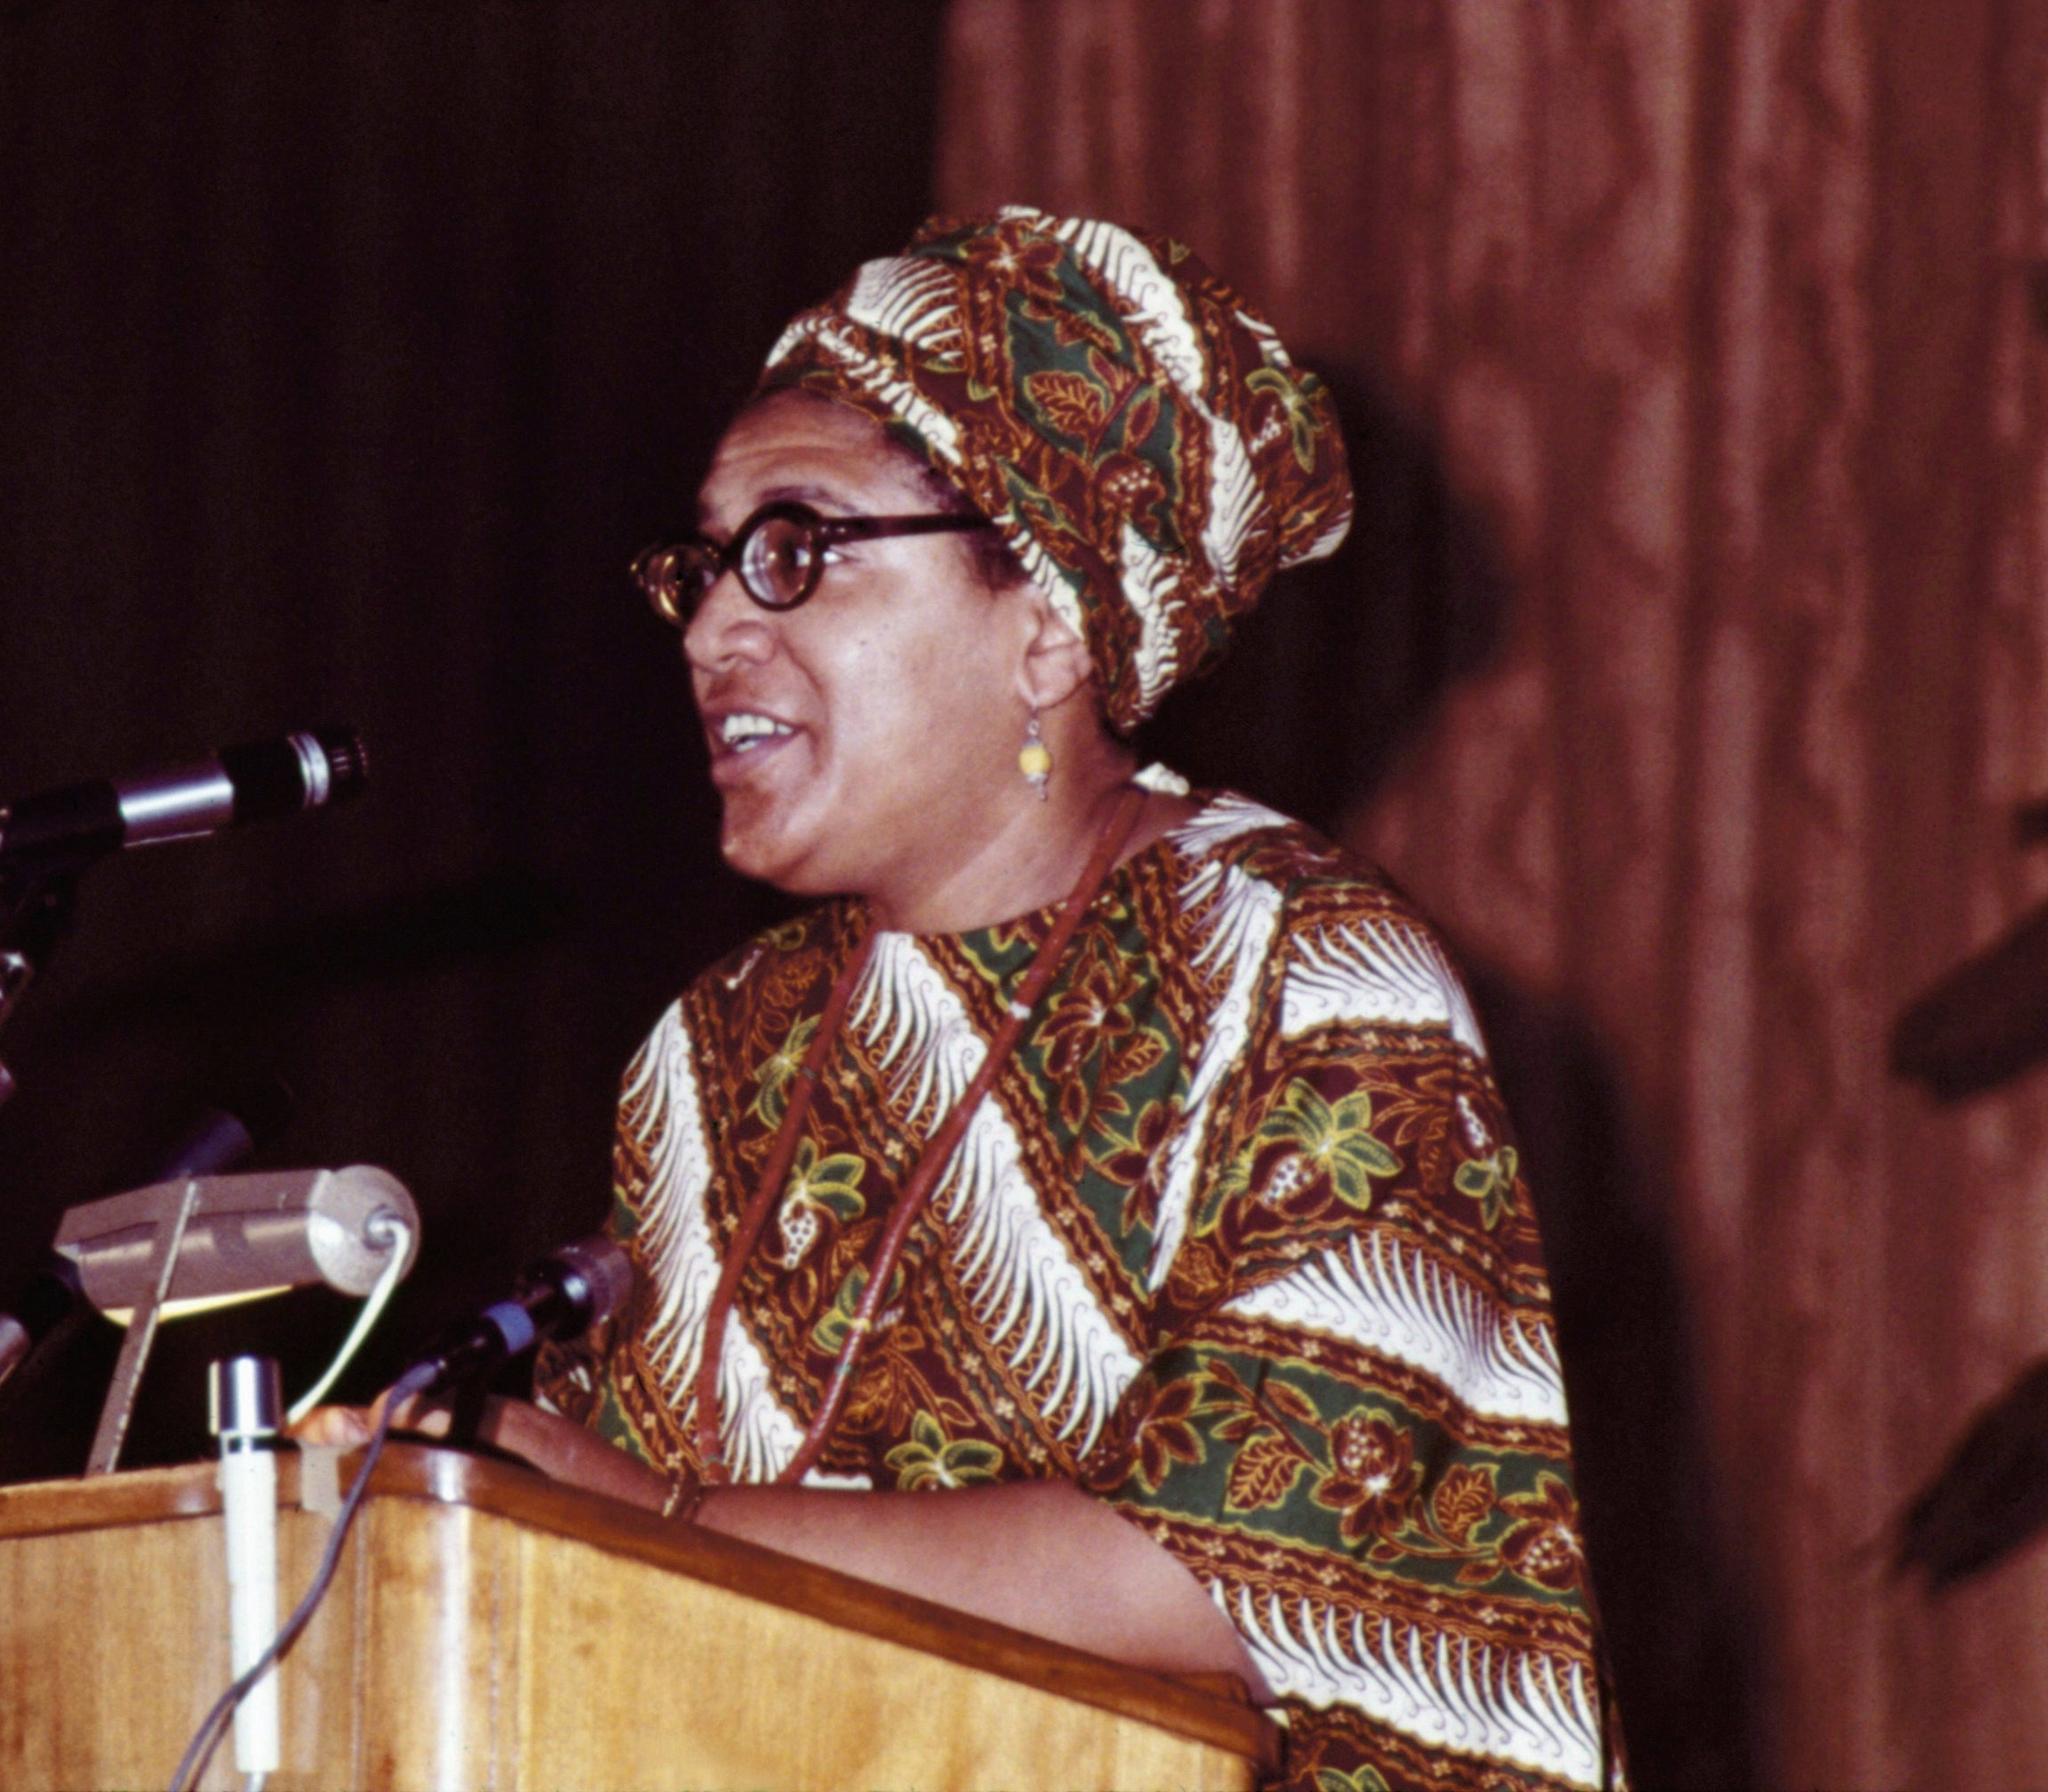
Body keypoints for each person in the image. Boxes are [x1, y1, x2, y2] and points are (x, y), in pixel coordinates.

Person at [308, 208, 1619, 1791]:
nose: (718, 625)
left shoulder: (1304, 966)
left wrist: (641, 1515)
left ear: (1050, 623)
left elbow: (1216, 1572)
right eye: (705, 567)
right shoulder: (716, 1056)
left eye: (797, 549)